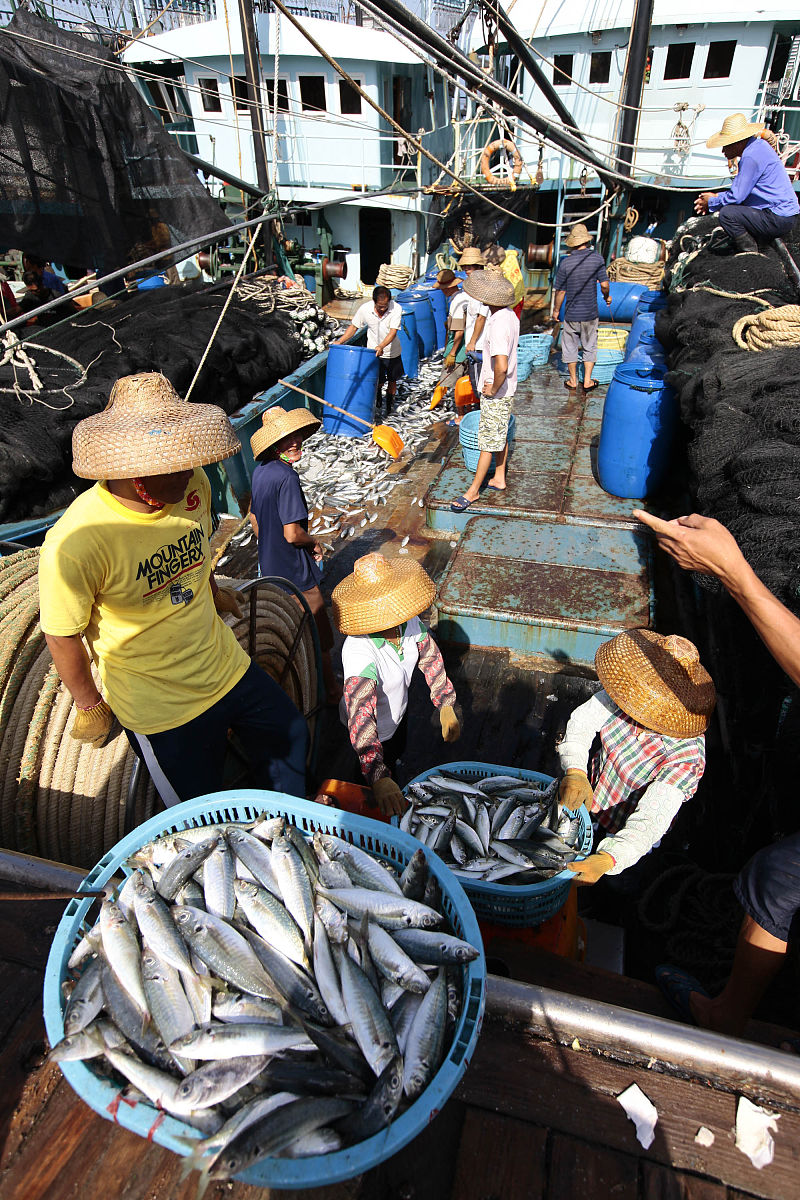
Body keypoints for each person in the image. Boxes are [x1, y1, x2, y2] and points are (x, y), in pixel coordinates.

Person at [38, 372, 308, 807]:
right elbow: (61, 632)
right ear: (133, 471)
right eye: (174, 464)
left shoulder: (192, 486)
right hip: (159, 706)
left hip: (223, 665)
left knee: (291, 732)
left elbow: (196, 551)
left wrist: (211, 590)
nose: (190, 471)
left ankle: (285, 827)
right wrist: (88, 704)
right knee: (201, 810)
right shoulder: (77, 542)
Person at [635, 510, 800, 1037]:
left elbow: (669, 797)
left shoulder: (689, 758)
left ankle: (725, 1017)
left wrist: (733, 573)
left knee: (775, 880)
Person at [558, 628, 715, 885]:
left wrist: (611, 857)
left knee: (622, 882)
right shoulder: (631, 692)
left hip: (631, 828)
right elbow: (583, 722)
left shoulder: (687, 758)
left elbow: (651, 819)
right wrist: (576, 771)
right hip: (596, 795)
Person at [332, 553, 460, 816]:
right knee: (366, 787)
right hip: (368, 736)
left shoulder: (407, 623)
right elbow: (361, 716)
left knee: (395, 751)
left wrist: (445, 703)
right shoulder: (359, 652)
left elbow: (430, 657)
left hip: (397, 718)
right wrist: (377, 774)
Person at [248, 405, 340, 703]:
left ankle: (299, 685)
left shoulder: (260, 472)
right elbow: (292, 534)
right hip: (295, 572)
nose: (295, 441)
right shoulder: (287, 477)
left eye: (296, 435)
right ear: (274, 445)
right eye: (286, 438)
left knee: (290, 632)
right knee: (320, 636)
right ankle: (331, 691)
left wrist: (269, 544)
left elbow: (254, 519)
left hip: (271, 569)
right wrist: (313, 542)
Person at [450, 269, 519, 511]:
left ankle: (472, 491)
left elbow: (501, 365)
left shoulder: (498, 324)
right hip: (507, 391)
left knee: (487, 444)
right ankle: (499, 476)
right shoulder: (510, 315)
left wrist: (492, 388)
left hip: (498, 393)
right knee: (500, 433)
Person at [694, 114, 800, 254]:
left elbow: (737, 196)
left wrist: (711, 201)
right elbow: (743, 193)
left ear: (737, 143)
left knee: (727, 214)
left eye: (726, 145)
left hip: (777, 217)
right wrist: (715, 196)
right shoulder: (759, 146)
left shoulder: (750, 157)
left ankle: (750, 254)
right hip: (785, 214)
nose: (723, 150)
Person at [552, 223, 611, 394]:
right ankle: (587, 380)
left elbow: (561, 291)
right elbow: (605, 285)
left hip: (571, 314)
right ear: (587, 241)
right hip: (590, 313)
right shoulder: (597, 259)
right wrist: (607, 296)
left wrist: (556, 310)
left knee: (570, 346)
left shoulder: (565, 263)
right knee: (589, 346)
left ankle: (572, 380)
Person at [336, 285, 403, 415]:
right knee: (377, 381)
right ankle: (377, 402)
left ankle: (389, 408)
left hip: (392, 352)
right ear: (374, 302)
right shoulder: (365, 309)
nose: (383, 309)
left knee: (392, 380)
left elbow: (393, 332)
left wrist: (381, 346)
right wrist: (340, 341)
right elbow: (354, 327)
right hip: (372, 353)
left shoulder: (396, 308)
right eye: (380, 306)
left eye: (385, 306)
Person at [459, 247, 489, 401]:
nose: (465, 269)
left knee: (479, 385)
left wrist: (472, 342)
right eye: (464, 266)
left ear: (478, 267)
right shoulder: (475, 284)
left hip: (479, 345)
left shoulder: (481, 287)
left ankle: (481, 417)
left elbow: (481, 317)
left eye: (469, 267)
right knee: (478, 382)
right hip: (476, 343)